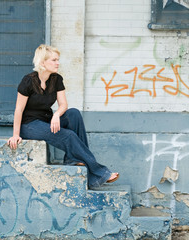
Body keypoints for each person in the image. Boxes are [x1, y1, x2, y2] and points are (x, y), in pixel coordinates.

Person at [7, 44, 119, 188]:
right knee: (68, 135)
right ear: (42, 63)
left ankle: (73, 159)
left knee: (74, 114)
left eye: (58, 59)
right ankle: (99, 172)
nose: (57, 63)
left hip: (46, 120)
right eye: (53, 60)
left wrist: (56, 115)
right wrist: (16, 134)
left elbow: (63, 104)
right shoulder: (28, 81)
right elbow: (18, 110)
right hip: (29, 125)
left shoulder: (56, 79)